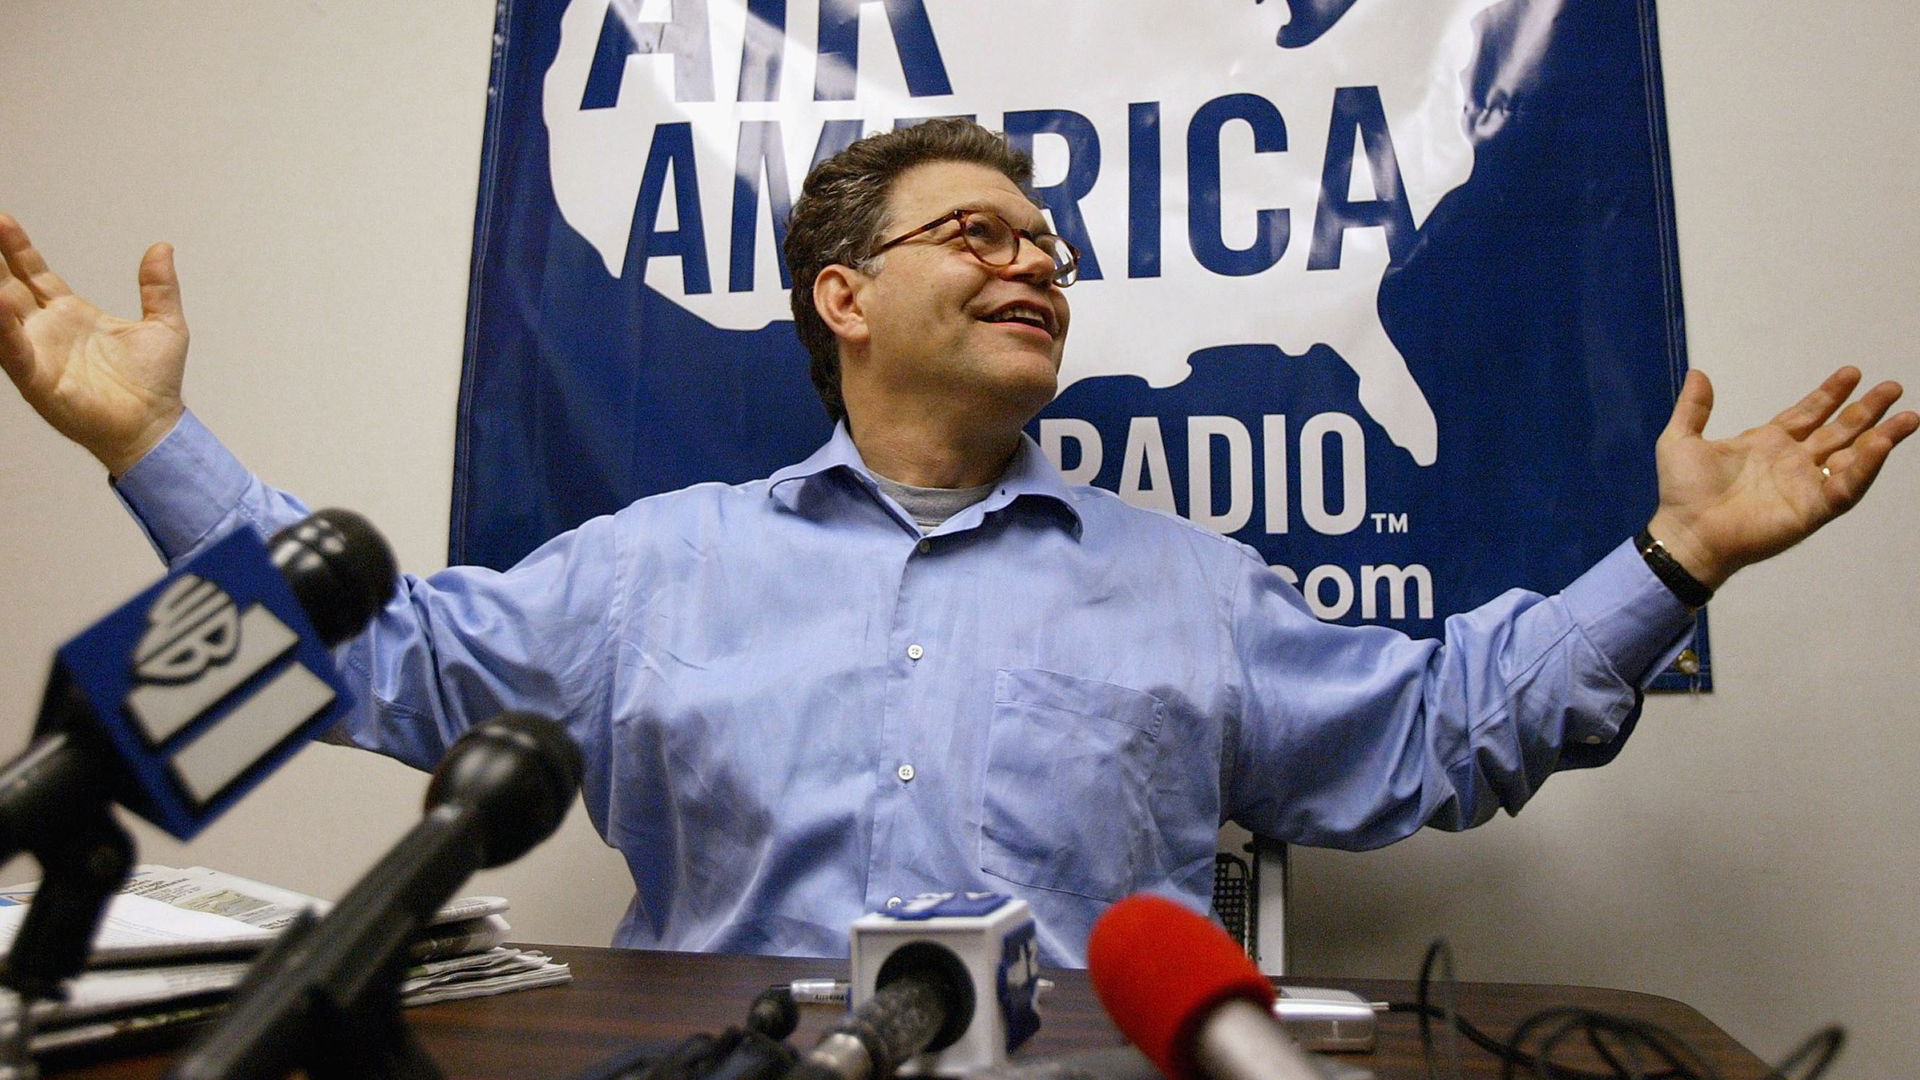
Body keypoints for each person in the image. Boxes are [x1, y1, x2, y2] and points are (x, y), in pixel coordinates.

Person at [0, 120, 1911, 965]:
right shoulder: (645, 569)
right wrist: (150, 443)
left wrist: (1673, 561)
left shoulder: (1186, 582)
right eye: (977, 234)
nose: (1037, 261)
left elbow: (1446, 736)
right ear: (840, 296)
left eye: (1048, 243)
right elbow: (363, 660)